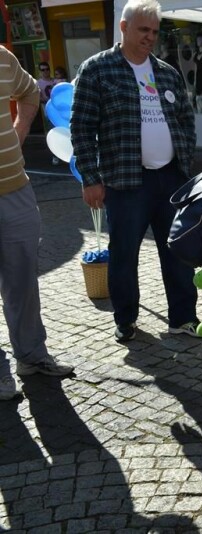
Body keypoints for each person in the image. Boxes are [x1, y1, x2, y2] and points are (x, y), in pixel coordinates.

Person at [71, 0, 199, 343]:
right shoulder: (97, 69)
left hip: (171, 178)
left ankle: (183, 318)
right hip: (125, 181)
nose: (150, 37)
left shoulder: (167, 72)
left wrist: (184, 161)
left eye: (155, 31)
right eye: (143, 30)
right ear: (124, 28)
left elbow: (186, 120)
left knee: (178, 251)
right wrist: (90, 177)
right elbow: (81, 128)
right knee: (125, 255)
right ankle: (125, 319)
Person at [0, 45, 74, 401]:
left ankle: (31, 356)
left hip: (15, 188)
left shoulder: (2, 57)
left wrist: (19, 130)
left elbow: (29, 91)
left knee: (22, 280)